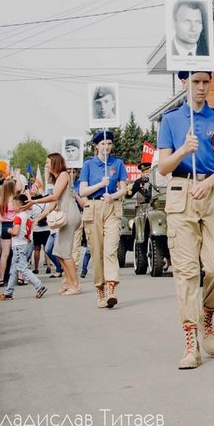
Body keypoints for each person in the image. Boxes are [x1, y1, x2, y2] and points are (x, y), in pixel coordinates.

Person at [157, 70, 214, 369]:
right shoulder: (172, 120)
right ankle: (191, 343)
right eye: (196, 82)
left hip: (212, 192)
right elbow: (163, 167)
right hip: (180, 193)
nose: (201, 87)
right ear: (184, 82)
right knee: (187, 273)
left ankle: (208, 314)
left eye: (206, 82)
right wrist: (182, 150)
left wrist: (209, 182)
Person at [79, 129, 128, 308]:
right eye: (103, 144)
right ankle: (100, 290)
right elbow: (82, 191)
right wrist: (101, 184)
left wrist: (113, 195)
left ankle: (111, 288)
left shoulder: (118, 163)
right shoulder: (89, 164)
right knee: (97, 252)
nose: (106, 147)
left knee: (110, 250)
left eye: (109, 143)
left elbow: (123, 188)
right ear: (96, 146)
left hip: (112, 207)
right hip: (93, 207)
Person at [27, 153, 84, 295]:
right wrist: (36, 218)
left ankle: (75, 285)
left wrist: (34, 201)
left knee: (64, 252)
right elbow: (53, 204)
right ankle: (70, 283)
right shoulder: (59, 178)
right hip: (66, 216)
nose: (46, 165)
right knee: (58, 252)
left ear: (55, 163)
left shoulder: (64, 175)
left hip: (70, 216)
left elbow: (55, 196)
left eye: (47, 162)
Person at [0, 193, 46, 300]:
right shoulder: (27, 215)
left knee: (23, 268)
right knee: (13, 269)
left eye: (13, 205)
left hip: (18, 245)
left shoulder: (18, 217)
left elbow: (15, 231)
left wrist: (8, 230)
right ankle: (9, 292)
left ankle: (39, 286)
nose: (12, 207)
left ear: (19, 206)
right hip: (23, 243)